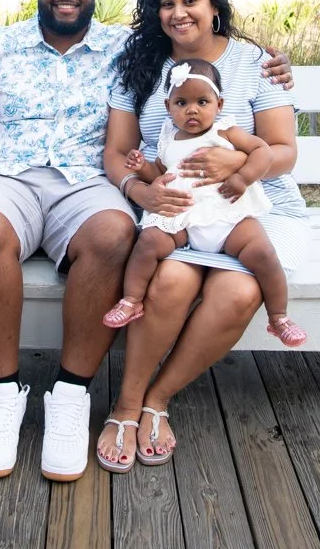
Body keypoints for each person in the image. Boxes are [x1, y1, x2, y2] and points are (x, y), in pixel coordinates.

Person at [0, 0, 293, 483]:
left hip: (86, 182)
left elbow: (206, 50)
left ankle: (70, 396)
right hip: (4, 174)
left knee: (115, 233)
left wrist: (273, 59)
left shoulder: (128, 49)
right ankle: (0, 394)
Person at [97, 0, 309, 473]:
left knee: (238, 290)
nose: (178, 13)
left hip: (249, 206)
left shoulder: (256, 63)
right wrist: (139, 191)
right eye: (166, 4)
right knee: (169, 283)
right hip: (174, 207)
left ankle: (158, 399)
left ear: (214, 6)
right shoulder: (140, 66)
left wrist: (240, 161)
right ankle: (124, 407)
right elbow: (117, 150)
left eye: (190, 0)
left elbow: (282, 151)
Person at [102, 57, 307, 349]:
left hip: (227, 215)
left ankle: (279, 317)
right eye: (181, 103)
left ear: (219, 105)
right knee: (148, 242)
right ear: (168, 107)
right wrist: (142, 168)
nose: (192, 110)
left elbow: (263, 152)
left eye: (202, 101)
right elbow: (162, 171)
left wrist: (243, 176)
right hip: (183, 218)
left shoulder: (224, 130)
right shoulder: (168, 135)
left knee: (262, 252)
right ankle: (132, 300)